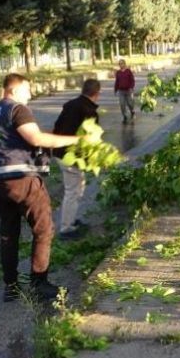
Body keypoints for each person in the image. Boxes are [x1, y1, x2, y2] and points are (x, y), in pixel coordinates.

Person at [0, 73, 78, 303]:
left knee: (9, 233)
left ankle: (11, 287)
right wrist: (75, 140)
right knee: (43, 228)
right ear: (12, 91)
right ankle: (39, 283)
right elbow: (35, 138)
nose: (30, 95)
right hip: (22, 177)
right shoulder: (17, 109)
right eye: (27, 90)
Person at [51, 78, 101, 240]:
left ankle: (70, 220)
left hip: (60, 151)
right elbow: (89, 140)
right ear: (97, 94)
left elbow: (57, 126)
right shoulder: (89, 112)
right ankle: (66, 228)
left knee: (77, 188)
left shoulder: (70, 104)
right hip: (71, 156)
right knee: (73, 191)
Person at [114, 59, 136, 123]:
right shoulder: (118, 72)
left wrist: (131, 87)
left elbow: (132, 80)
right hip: (121, 91)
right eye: (120, 64)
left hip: (128, 90)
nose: (121, 65)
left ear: (125, 64)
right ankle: (125, 116)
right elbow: (117, 82)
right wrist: (115, 90)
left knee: (130, 104)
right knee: (122, 104)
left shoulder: (128, 71)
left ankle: (132, 112)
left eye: (122, 63)